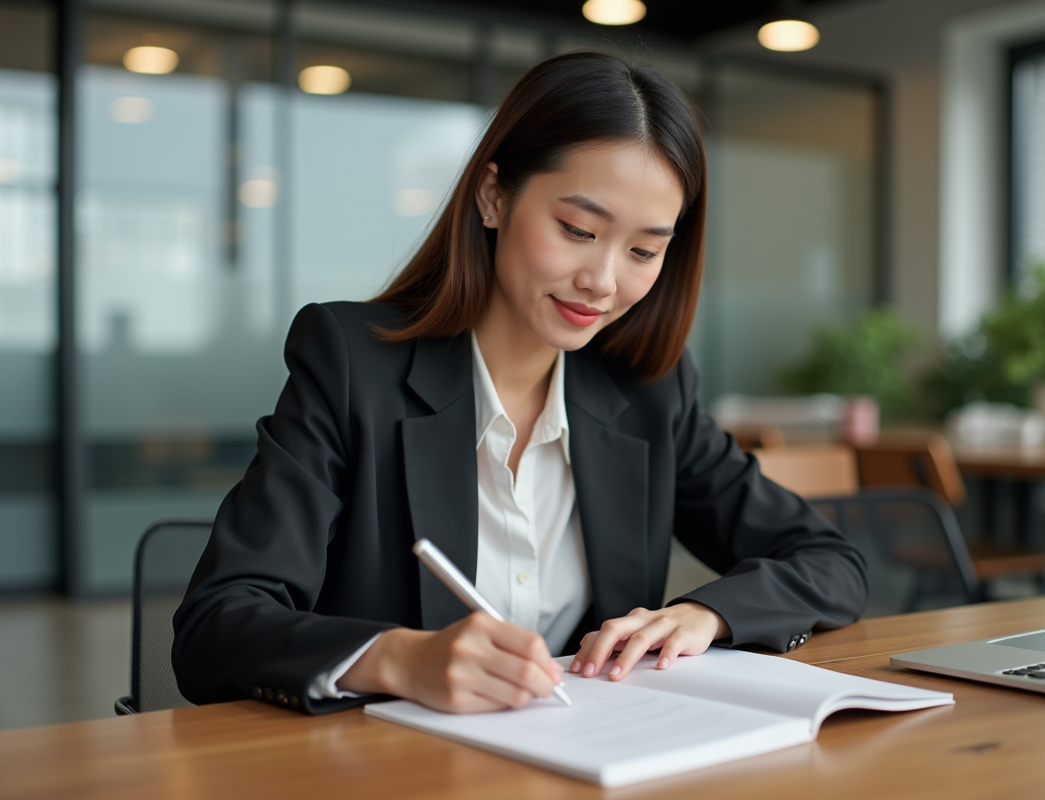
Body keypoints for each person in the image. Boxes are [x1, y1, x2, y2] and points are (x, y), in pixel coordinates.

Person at [172, 51, 867, 716]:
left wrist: (706, 614)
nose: (602, 281)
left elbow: (828, 560)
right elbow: (217, 624)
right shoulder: (353, 365)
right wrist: (397, 659)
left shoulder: (648, 391)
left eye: (643, 251)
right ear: (493, 196)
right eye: (575, 228)